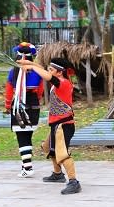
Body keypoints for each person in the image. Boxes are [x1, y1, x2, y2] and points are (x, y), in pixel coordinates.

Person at [16, 57, 82, 195]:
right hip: (57, 124)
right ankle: (58, 174)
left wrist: (32, 67)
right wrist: (28, 63)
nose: (48, 71)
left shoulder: (63, 83)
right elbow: (43, 70)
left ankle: (74, 182)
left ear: (59, 72)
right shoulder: (58, 81)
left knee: (62, 154)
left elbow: (46, 75)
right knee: (48, 148)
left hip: (64, 125)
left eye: (51, 70)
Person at [4, 42, 45, 178]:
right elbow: (40, 91)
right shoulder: (37, 72)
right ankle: (25, 164)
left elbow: (9, 90)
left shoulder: (13, 72)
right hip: (33, 104)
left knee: (22, 137)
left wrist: (7, 105)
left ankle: (27, 167)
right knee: (27, 136)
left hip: (19, 105)